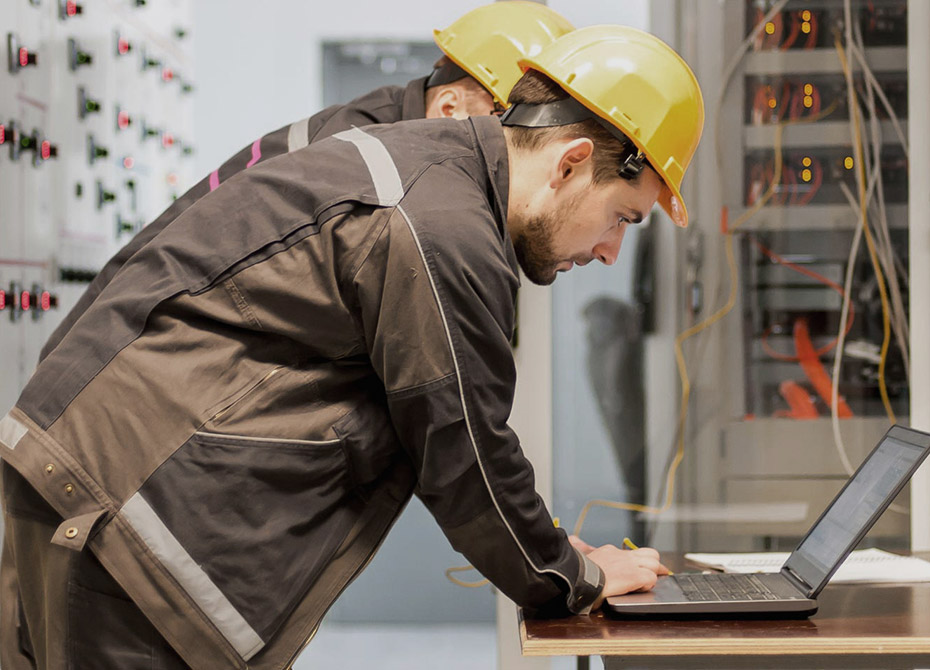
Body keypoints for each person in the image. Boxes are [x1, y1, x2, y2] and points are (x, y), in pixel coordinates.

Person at [0, 25, 703, 670]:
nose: (612, 251)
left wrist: (547, 554)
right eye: (622, 217)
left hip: (94, 483)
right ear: (571, 162)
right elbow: (465, 450)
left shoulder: (428, 169)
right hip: (123, 512)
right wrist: (574, 577)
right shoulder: (443, 227)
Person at [37, 0, 575, 364]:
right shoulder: (373, 169)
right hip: (115, 374)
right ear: (453, 105)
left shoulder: (386, 139)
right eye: (510, 128)